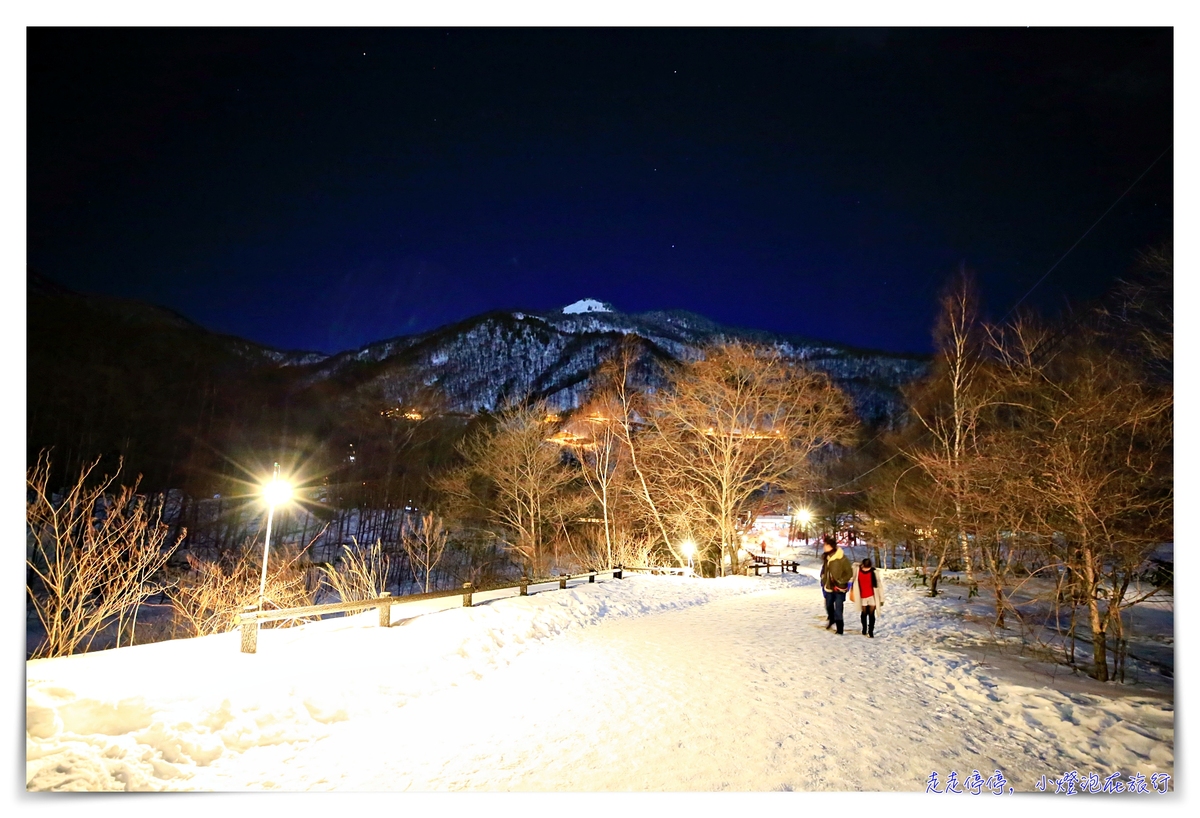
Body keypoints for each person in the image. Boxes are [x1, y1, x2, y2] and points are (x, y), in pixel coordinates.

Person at [821, 534, 853, 634]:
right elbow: (825, 570)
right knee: (828, 605)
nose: (823, 547)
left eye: (825, 545)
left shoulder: (841, 558)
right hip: (829, 586)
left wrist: (841, 581)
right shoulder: (827, 558)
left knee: (838, 608)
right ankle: (832, 619)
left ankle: (840, 628)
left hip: (840, 588)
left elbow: (849, 572)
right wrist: (823, 578)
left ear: (830, 546)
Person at [849, 557, 885, 637]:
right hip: (862, 596)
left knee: (872, 614)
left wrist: (881, 598)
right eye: (865, 568)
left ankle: (871, 631)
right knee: (864, 613)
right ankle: (864, 628)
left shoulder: (874, 572)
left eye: (868, 568)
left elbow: (879, 586)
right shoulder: (857, 570)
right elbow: (853, 566)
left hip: (872, 596)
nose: (866, 570)